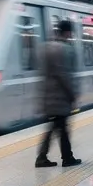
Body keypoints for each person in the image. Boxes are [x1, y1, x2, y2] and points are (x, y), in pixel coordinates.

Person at [37, 20, 82, 168]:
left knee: (56, 127)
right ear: (68, 32)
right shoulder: (65, 49)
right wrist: (73, 95)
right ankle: (67, 158)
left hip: (48, 95)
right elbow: (65, 75)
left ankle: (43, 157)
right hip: (60, 96)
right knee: (62, 127)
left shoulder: (45, 47)